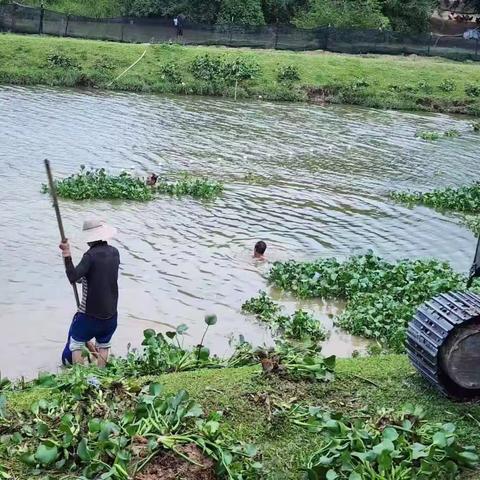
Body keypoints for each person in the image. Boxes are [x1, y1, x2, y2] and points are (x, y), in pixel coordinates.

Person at [59, 219, 120, 367]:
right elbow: (100, 275)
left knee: (76, 343)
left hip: (89, 315)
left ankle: (79, 376)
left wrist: (67, 254)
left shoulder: (90, 256)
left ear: (89, 239)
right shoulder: (115, 252)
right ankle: (101, 374)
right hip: (111, 315)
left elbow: (73, 277)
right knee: (104, 345)